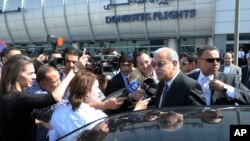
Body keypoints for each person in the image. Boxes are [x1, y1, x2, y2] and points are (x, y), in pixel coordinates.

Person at [49, 70, 150, 140]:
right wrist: (137, 110)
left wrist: (105, 105)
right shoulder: (98, 118)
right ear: (87, 91)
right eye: (96, 88)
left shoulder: (57, 113)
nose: (99, 91)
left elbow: (53, 137)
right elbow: (122, 133)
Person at [0, 54, 81, 141]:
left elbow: (18, 118)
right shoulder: (18, 98)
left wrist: (41, 123)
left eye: (34, 73)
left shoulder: (9, 95)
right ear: (16, 75)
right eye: (30, 73)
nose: (34, 77)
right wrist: (74, 71)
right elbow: (55, 97)